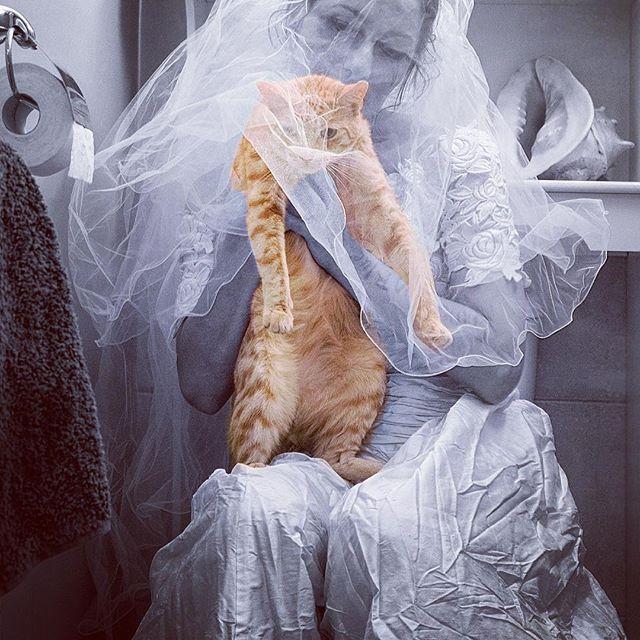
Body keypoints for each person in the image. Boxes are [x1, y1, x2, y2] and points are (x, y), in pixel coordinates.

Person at [69, 0, 625, 637]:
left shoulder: (454, 154)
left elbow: (500, 367)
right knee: (250, 513)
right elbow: (199, 384)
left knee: (385, 526)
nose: (356, 61)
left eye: (391, 51)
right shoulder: (240, 147)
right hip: (308, 451)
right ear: (292, 17)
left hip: (437, 452)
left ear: (418, 65)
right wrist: (265, 205)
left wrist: (340, 245)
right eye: (338, 23)